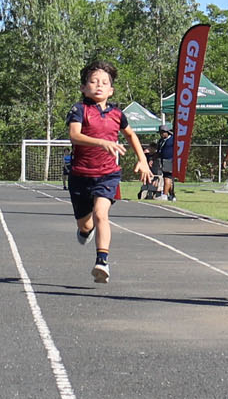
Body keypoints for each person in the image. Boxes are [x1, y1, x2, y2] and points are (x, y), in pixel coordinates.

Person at [65, 60, 152, 284]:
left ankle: (102, 261)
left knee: (101, 214)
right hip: (80, 175)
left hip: (107, 174)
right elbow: (74, 136)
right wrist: (101, 143)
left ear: (111, 90)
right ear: (84, 88)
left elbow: (131, 136)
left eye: (104, 83)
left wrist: (143, 160)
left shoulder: (117, 114)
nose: (99, 86)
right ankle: (86, 232)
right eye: (93, 82)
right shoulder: (79, 109)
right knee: (85, 225)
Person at [157, 128, 176, 201]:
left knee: (167, 177)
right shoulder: (161, 141)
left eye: (162, 132)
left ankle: (164, 195)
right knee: (168, 178)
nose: (161, 134)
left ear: (167, 132)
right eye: (160, 133)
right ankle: (172, 195)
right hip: (163, 160)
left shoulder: (172, 139)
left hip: (170, 160)